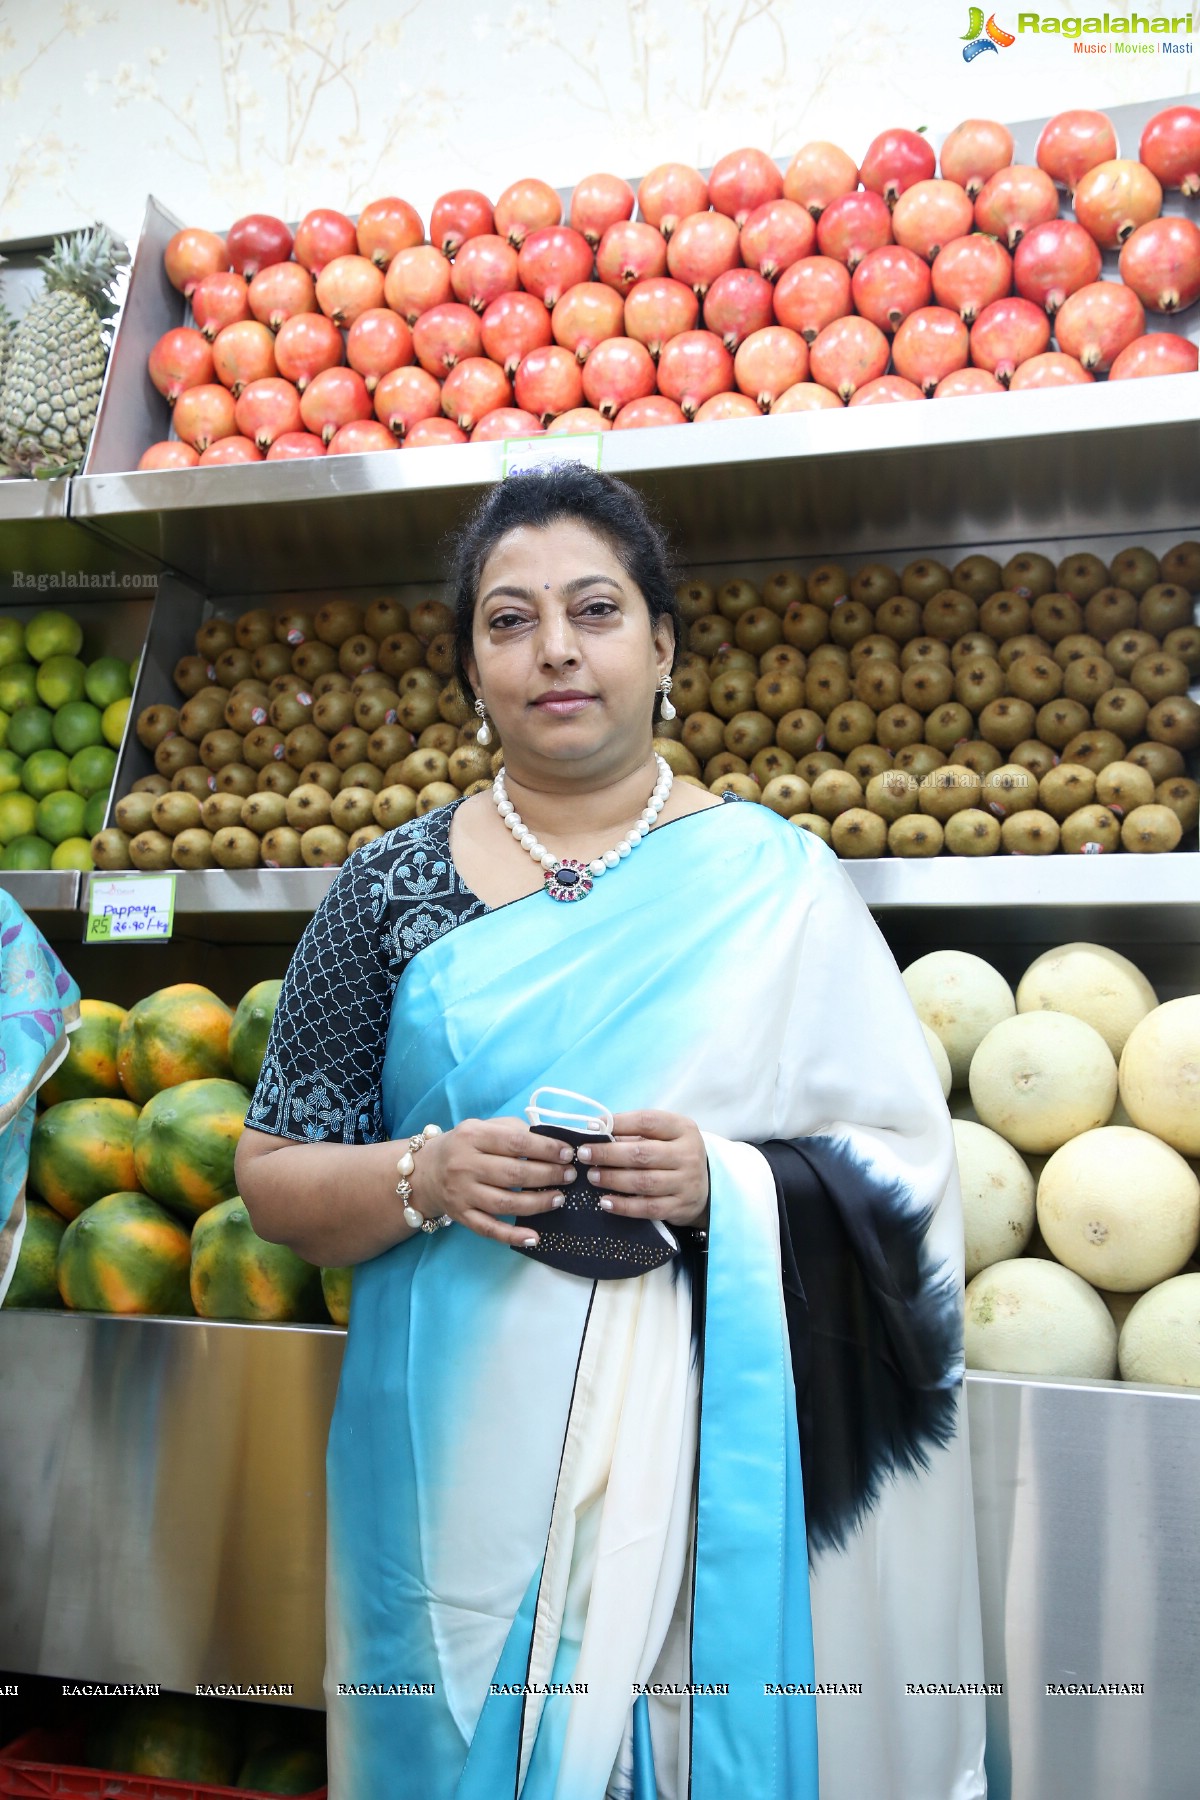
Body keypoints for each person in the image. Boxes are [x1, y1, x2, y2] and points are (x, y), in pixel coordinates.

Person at [236, 467, 988, 1800]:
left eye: (594, 609)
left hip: (709, 1462)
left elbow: (908, 1176)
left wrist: (732, 1186)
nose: (555, 650)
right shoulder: (387, 887)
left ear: (662, 645)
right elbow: (276, 1174)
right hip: (443, 1463)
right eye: (507, 620)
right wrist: (425, 1175)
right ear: (471, 666)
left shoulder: (782, 884)